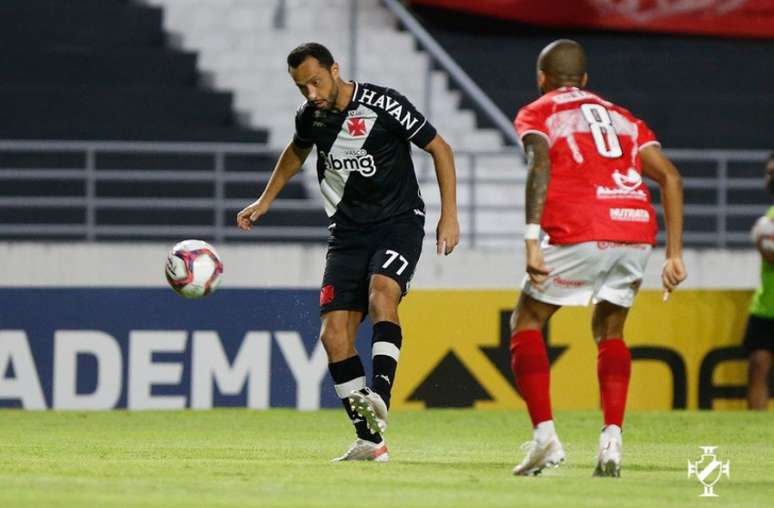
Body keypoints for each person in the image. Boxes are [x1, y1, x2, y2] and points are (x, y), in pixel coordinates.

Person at [237, 42, 460, 462]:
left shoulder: (383, 103)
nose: (311, 93)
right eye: (301, 87)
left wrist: (450, 215)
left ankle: (381, 394)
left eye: (316, 82)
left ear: (335, 69)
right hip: (346, 235)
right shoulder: (312, 116)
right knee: (333, 335)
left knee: (381, 293)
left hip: (398, 222)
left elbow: (440, 148)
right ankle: (370, 441)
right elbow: (296, 151)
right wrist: (265, 199)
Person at [509, 39, 686, 477]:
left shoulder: (540, 112)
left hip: (581, 228)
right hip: (633, 229)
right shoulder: (624, 118)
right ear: (585, 80)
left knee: (527, 320)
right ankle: (612, 440)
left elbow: (540, 166)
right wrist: (674, 254)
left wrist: (532, 239)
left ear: (542, 79)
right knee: (610, 329)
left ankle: (545, 438)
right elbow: (670, 177)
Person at [744, 153, 774, 410]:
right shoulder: (768, 219)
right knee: (757, 368)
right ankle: (757, 432)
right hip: (766, 306)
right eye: (769, 173)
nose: (769, 179)